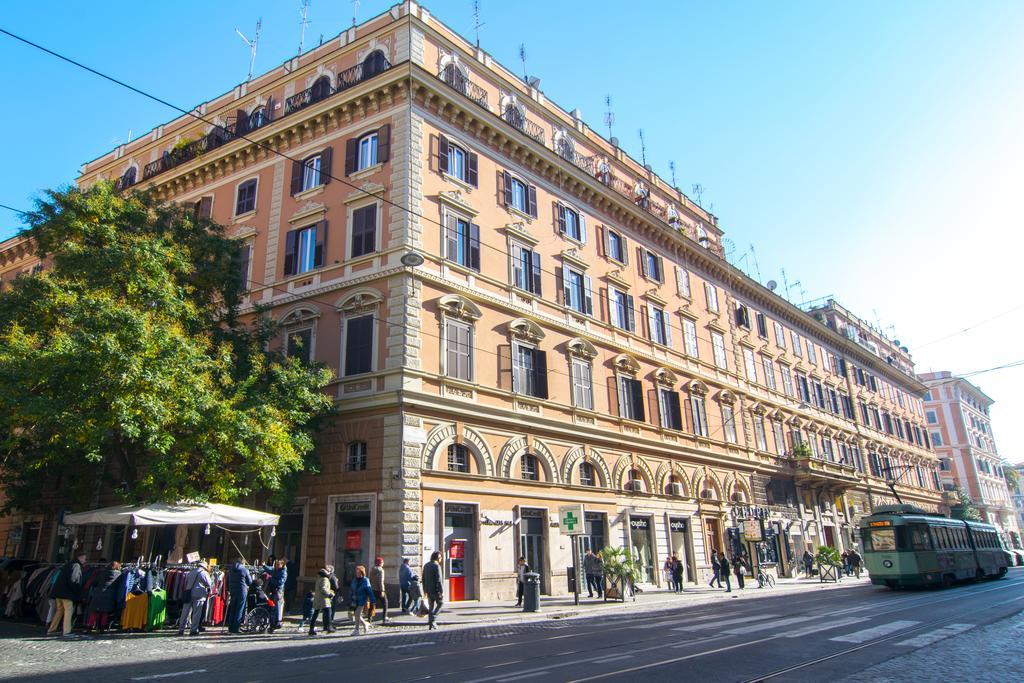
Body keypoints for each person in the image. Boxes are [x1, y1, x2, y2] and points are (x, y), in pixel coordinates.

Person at [48, 552, 86, 637]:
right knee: (69, 611)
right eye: (84, 558)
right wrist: (76, 591)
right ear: (80, 558)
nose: (85, 560)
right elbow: (73, 580)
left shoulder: (67, 565)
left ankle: (52, 629)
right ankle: (67, 631)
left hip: (59, 592)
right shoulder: (76, 566)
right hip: (67, 593)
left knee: (59, 611)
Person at [177, 561, 212, 636]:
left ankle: (181, 629)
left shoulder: (191, 572)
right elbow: (209, 583)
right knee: (196, 613)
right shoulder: (203, 573)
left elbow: (186, 582)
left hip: (188, 593)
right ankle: (193, 629)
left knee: (185, 612)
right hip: (199, 594)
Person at [86, 560, 122, 633]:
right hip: (109, 595)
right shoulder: (119, 575)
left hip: (99, 593)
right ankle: (102, 628)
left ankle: (89, 626)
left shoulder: (102, 572)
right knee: (105, 613)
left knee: (94, 611)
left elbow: (94, 582)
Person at [226, 556, 253, 634]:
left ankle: (230, 628)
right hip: (242, 591)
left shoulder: (230, 570)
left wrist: (229, 589)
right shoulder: (244, 570)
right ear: (242, 562)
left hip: (232, 591)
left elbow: (227, 581)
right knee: (239, 610)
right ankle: (236, 628)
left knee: (232, 609)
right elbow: (250, 582)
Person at [349, 565, 376, 636]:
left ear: (362, 572)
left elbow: (369, 591)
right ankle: (365, 624)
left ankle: (356, 630)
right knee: (355, 614)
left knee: (357, 613)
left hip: (362, 600)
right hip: (354, 600)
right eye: (356, 572)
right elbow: (351, 590)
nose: (357, 573)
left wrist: (372, 601)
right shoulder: (354, 580)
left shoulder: (365, 580)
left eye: (359, 572)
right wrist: (350, 598)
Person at [308, 567, 335, 636]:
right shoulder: (325, 579)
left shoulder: (319, 579)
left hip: (317, 599)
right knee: (328, 612)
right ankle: (328, 627)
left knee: (315, 614)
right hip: (324, 599)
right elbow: (323, 589)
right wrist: (329, 594)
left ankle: (311, 629)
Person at [422, 551, 444, 630]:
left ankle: (431, 623)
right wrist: (441, 591)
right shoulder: (437, 566)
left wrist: (424, 590)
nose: (441, 559)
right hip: (436, 590)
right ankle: (433, 619)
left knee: (431, 607)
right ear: (438, 558)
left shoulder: (426, 565)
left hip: (428, 590)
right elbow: (439, 580)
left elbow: (423, 579)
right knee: (441, 604)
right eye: (440, 557)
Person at [266, 558, 287, 632]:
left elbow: (280, 582)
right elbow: (270, 570)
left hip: (278, 592)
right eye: (276, 564)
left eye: (278, 564)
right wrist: (264, 566)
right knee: (272, 608)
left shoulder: (283, 572)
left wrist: (271, 579)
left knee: (277, 607)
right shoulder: (275, 570)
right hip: (273, 591)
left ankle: (277, 622)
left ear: (282, 565)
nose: (277, 566)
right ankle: (272, 624)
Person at [368, 557, 389, 625]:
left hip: (373, 589)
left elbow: (370, 580)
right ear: (380, 563)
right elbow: (381, 581)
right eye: (382, 562)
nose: (383, 563)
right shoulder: (381, 570)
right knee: (385, 603)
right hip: (379, 590)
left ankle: (369, 619)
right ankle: (384, 618)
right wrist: (382, 590)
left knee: (372, 604)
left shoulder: (372, 570)